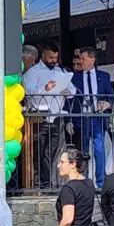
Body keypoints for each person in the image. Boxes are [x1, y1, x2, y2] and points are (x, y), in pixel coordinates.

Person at [26, 42, 73, 189]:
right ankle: (41, 182)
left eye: (55, 57)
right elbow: (28, 92)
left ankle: (47, 180)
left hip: (57, 116)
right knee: (39, 151)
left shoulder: (61, 72)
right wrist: (45, 88)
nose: (53, 60)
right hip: (40, 116)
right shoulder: (33, 72)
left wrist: (68, 92)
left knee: (51, 151)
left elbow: (72, 90)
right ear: (43, 55)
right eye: (51, 57)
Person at [71, 46, 114, 190]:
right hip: (82, 117)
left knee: (99, 149)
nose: (81, 62)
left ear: (92, 59)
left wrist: (107, 104)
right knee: (82, 150)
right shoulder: (75, 77)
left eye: (83, 59)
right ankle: (85, 180)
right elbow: (69, 100)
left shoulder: (104, 76)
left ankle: (101, 181)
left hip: (98, 117)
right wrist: (68, 120)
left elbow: (111, 95)